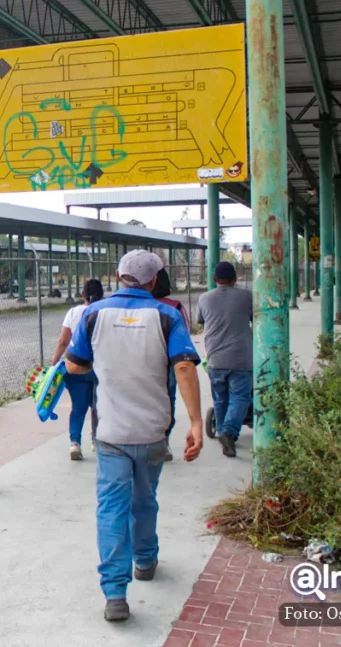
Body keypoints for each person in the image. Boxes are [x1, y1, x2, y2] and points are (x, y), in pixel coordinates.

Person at [64, 250, 203, 622]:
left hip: (110, 430)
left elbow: (75, 364)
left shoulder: (93, 314)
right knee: (145, 500)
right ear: (154, 281)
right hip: (153, 429)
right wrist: (196, 424)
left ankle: (114, 594)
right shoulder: (167, 315)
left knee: (111, 508)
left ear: (117, 276)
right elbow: (185, 366)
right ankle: (145, 560)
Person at [195, 261, 253, 458]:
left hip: (215, 358)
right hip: (241, 358)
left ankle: (221, 432)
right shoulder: (246, 296)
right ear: (235, 278)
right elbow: (256, 318)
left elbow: (201, 321)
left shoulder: (204, 298)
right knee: (241, 397)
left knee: (220, 398)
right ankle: (228, 432)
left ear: (214, 279)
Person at [51, 279, 104, 460]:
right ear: (102, 294)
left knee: (78, 407)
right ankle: (96, 440)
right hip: (99, 367)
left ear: (82, 295)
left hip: (74, 367)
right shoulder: (105, 311)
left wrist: (54, 364)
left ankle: (75, 443)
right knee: (98, 407)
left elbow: (63, 341)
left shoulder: (73, 312)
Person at [151, 267, 190, 462]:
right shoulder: (175, 307)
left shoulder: (137, 305)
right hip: (168, 364)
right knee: (168, 401)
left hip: (140, 362)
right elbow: (186, 334)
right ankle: (163, 441)